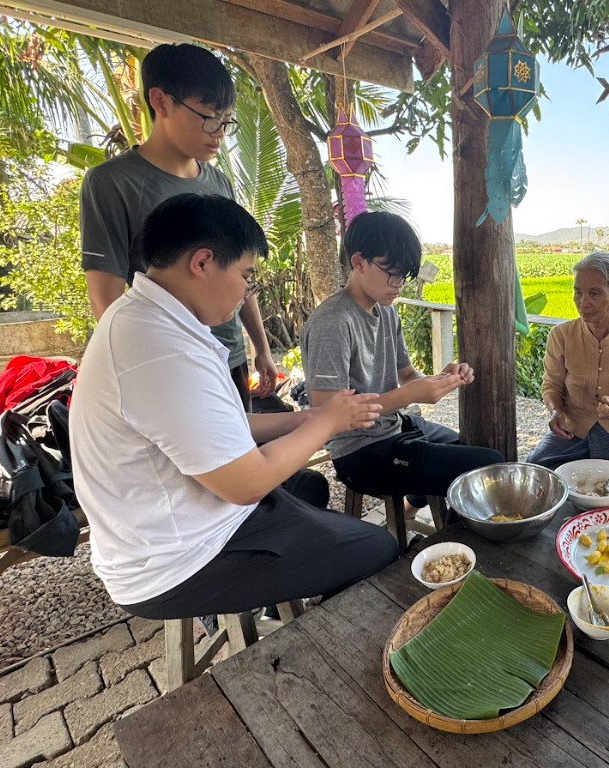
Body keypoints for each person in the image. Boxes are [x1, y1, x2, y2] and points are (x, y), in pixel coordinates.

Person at [69, 194, 399, 619]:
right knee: (379, 548)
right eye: (246, 275)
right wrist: (327, 424)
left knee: (309, 487)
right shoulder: (158, 349)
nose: (246, 292)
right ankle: (314, 642)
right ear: (202, 262)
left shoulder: (152, 320)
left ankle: (287, 607)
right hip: (179, 560)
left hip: (191, 516)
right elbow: (247, 484)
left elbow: (222, 424)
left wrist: (308, 417)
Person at [79, 42, 276, 413]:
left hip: (228, 356)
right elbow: (106, 301)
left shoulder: (218, 182)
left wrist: (260, 348)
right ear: (161, 101)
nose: (219, 132)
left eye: (226, 121)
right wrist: (144, 370)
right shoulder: (111, 183)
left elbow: (239, 269)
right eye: (209, 117)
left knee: (240, 446)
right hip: (171, 364)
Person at [301, 211, 503, 518]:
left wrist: (440, 379)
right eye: (392, 273)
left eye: (404, 276)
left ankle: (415, 509)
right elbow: (327, 413)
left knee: (475, 448)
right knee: (487, 466)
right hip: (360, 451)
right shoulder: (332, 322)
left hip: (394, 426)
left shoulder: (386, 312)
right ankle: (451, 542)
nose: (398, 285)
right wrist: (409, 395)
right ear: (359, 262)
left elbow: (407, 375)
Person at [526, 251, 609, 491]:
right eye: (578, 292)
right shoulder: (561, 335)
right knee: (534, 476)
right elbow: (552, 386)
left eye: (594, 293)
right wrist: (556, 411)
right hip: (573, 430)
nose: (583, 302)